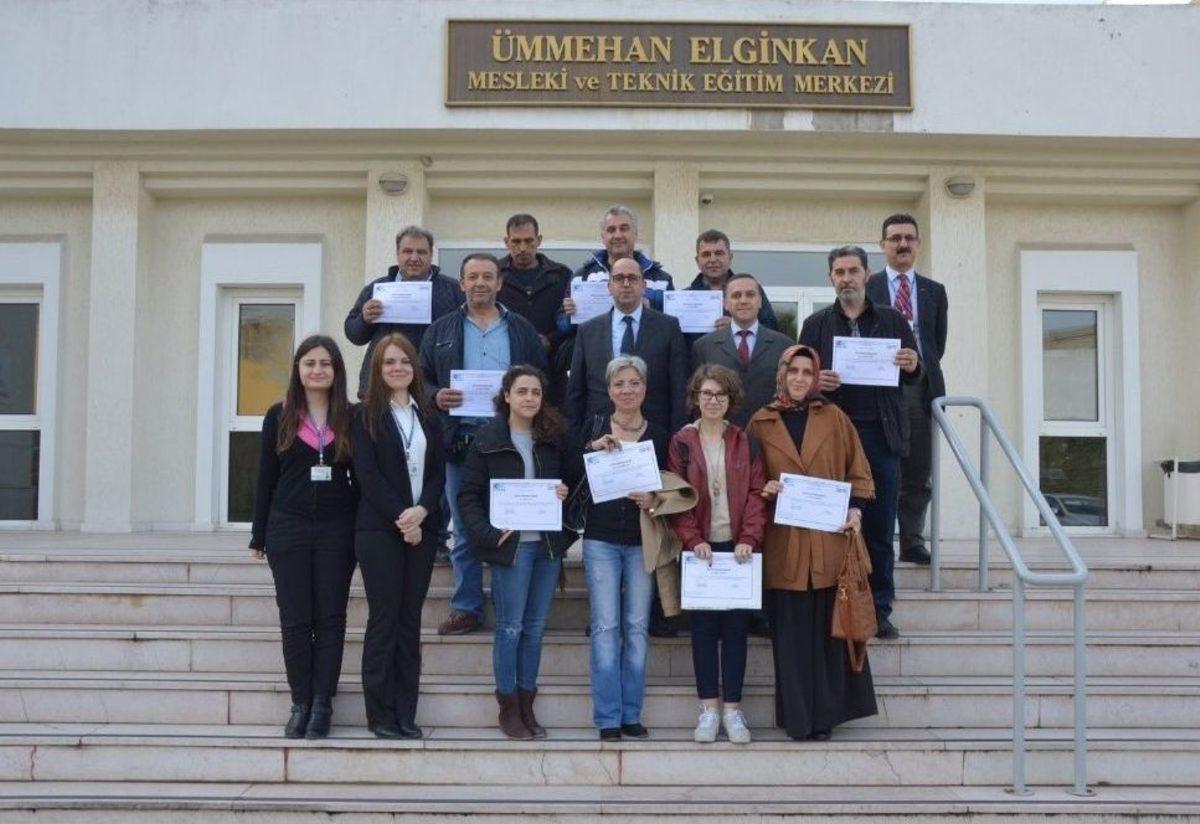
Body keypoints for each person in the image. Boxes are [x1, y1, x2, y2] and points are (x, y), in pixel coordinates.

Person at [747, 344, 878, 741]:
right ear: (781, 375)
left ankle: (826, 718)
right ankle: (799, 720)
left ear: (816, 377)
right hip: (785, 545)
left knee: (827, 636)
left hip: (829, 542)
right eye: (793, 371)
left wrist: (855, 510)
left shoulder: (835, 417)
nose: (800, 379)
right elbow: (747, 480)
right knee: (791, 638)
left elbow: (859, 472)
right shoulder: (761, 421)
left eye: (807, 372)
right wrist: (764, 488)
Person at [420, 253, 548, 637]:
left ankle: (517, 606)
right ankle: (467, 607)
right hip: (461, 441)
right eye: (472, 276)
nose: (480, 283)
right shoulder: (440, 330)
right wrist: (434, 395)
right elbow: (420, 378)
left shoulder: (521, 329)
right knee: (464, 526)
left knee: (517, 521)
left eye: (487, 276)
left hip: (512, 441)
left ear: (499, 283)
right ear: (461, 283)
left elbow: (542, 377)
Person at [798, 246, 921, 640]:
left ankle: (879, 609)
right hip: (831, 439)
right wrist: (816, 382)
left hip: (881, 437)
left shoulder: (892, 319)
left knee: (879, 528)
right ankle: (833, 606)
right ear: (830, 278)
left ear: (867, 275)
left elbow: (914, 371)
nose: (846, 278)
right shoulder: (816, 324)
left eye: (853, 271)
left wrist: (912, 364)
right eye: (839, 272)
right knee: (829, 525)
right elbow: (798, 379)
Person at [457, 365, 574, 740]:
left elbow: (573, 484)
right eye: (522, 391)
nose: (529, 398)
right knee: (510, 628)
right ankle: (508, 707)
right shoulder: (487, 438)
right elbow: (468, 495)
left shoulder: (552, 438)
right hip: (512, 549)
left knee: (535, 629)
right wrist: (489, 535)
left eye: (536, 392)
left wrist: (563, 492)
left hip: (546, 546)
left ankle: (527, 703)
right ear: (506, 395)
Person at [249, 335, 357, 740]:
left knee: (330, 617)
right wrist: (258, 534)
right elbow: (265, 477)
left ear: (336, 370)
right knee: (295, 619)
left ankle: (323, 702)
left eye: (325, 363)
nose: (317, 370)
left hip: (337, 529)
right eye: (309, 363)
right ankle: (301, 701)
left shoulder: (350, 417)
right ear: (298, 369)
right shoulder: (279, 415)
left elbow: (362, 478)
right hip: (288, 527)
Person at [350, 332, 445, 740]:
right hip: (379, 532)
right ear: (377, 368)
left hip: (422, 530)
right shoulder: (363, 416)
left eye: (404, 361)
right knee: (384, 620)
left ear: (414, 367)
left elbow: (438, 474)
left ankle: (406, 713)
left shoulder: (429, 415)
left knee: (410, 622)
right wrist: (403, 517)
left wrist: (421, 512)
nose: (398, 368)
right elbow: (367, 476)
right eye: (389, 362)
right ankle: (380, 715)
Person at [571, 355, 669, 741]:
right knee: (605, 626)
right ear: (608, 390)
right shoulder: (593, 428)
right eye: (619, 384)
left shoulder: (659, 434)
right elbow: (569, 477)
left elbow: (672, 488)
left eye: (634, 383)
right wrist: (590, 449)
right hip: (600, 539)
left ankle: (631, 713)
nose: (627, 390)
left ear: (645, 388)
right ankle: (608, 716)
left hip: (643, 540)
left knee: (637, 626)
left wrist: (654, 499)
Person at [668, 365, 767, 744]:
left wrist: (749, 538)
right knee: (704, 632)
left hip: (737, 550)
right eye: (707, 394)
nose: (713, 400)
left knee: (737, 631)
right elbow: (677, 495)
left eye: (720, 395)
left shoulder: (745, 440)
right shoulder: (682, 441)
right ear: (696, 397)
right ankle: (709, 709)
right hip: (701, 551)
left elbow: (757, 493)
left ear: (731, 400)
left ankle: (733, 711)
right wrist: (693, 539)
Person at [866, 214, 948, 567]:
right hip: (876, 390)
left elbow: (936, 344)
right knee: (878, 467)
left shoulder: (934, 291)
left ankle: (912, 540)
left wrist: (916, 367)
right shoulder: (867, 286)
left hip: (918, 388)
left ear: (918, 244)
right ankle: (875, 538)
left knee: (917, 469)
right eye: (895, 238)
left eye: (909, 238)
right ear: (882, 245)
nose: (902, 244)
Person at [565, 255, 687, 438]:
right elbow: (576, 391)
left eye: (633, 278)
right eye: (619, 278)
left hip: (653, 432)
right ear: (609, 286)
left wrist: (677, 438)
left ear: (643, 285)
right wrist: (575, 439)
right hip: (599, 432)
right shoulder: (588, 331)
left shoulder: (668, 327)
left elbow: (678, 388)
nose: (626, 284)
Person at [344, 225, 464, 399]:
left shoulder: (453, 290)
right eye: (407, 251)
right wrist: (364, 319)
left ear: (431, 255)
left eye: (421, 252)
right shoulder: (378, 288)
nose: (414, 258)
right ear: (397, 254)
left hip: (433, 388)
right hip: (382, 387)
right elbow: (353, 334)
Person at [690, 273, 793, 428]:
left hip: (771, 433)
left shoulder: (784, 345)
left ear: (760, 301)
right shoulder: (703, 347)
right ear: (725, 303)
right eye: (736, 295)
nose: (743, 300)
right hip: (722, 435)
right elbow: (696, 399)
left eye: (750, 295)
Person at [683, 230, 779, 347]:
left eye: (719, 253)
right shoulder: (683, 299)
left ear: (730, 257)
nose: (712, 259)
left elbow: (772, 330)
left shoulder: (751, 291)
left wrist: (738, 327)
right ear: (697, 260)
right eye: (706, 254)